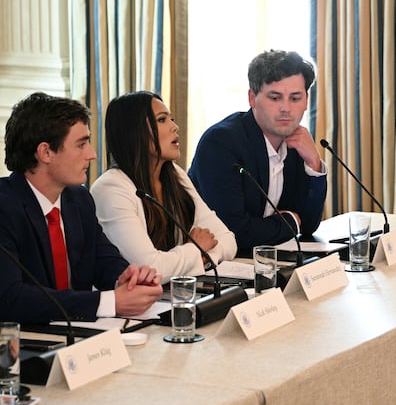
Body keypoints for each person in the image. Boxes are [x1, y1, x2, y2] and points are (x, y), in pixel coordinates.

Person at [0, 92, 163, 324]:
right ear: (45, 152)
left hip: (80, 338)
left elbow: (103, 259)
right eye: (81, 144)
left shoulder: (78, 199)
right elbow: (10, 298)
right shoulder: (5, 207)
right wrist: (108, 302)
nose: (92, 154)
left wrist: (127, 278)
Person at [189, 49, 327, 255]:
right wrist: (290, 220)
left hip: (265, 261)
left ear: (306, 100)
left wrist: (314, 163)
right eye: (275, 97)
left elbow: (308, 224)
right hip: (217, 267)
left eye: (295, 98)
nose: (286, 108)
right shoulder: (221, 143)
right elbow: (236, 233)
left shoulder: (297, 142)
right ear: (252, 98)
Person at [91, 91, 237, 278]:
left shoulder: (175, 175)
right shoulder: (111, 189)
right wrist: (195, 250)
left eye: (172, 119)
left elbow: (228, 241)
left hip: (176, 295)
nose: (175, 127)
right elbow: (151, 268)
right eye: (162, 120)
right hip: (135, 304)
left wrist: (201, 257)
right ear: (134, 132)